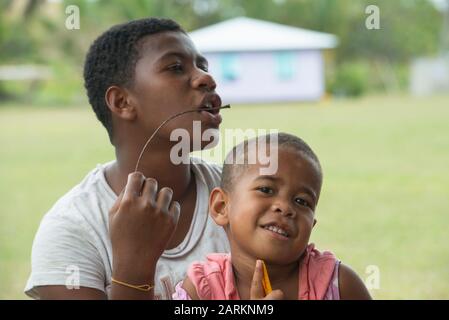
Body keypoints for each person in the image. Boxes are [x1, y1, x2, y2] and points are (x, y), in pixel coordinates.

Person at [25, 17, 229, 300]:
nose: (206, 78)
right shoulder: (72, 230)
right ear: (122, 102)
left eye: (202, 66)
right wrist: (133, 268)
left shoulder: (245, 192)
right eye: (175, 67)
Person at [173, 133, 372, 300]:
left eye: (302, 201)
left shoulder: (340, 285)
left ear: (312, 225)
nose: (285, 207)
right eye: (266, 189)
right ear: (221, 206)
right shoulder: (201, 290)